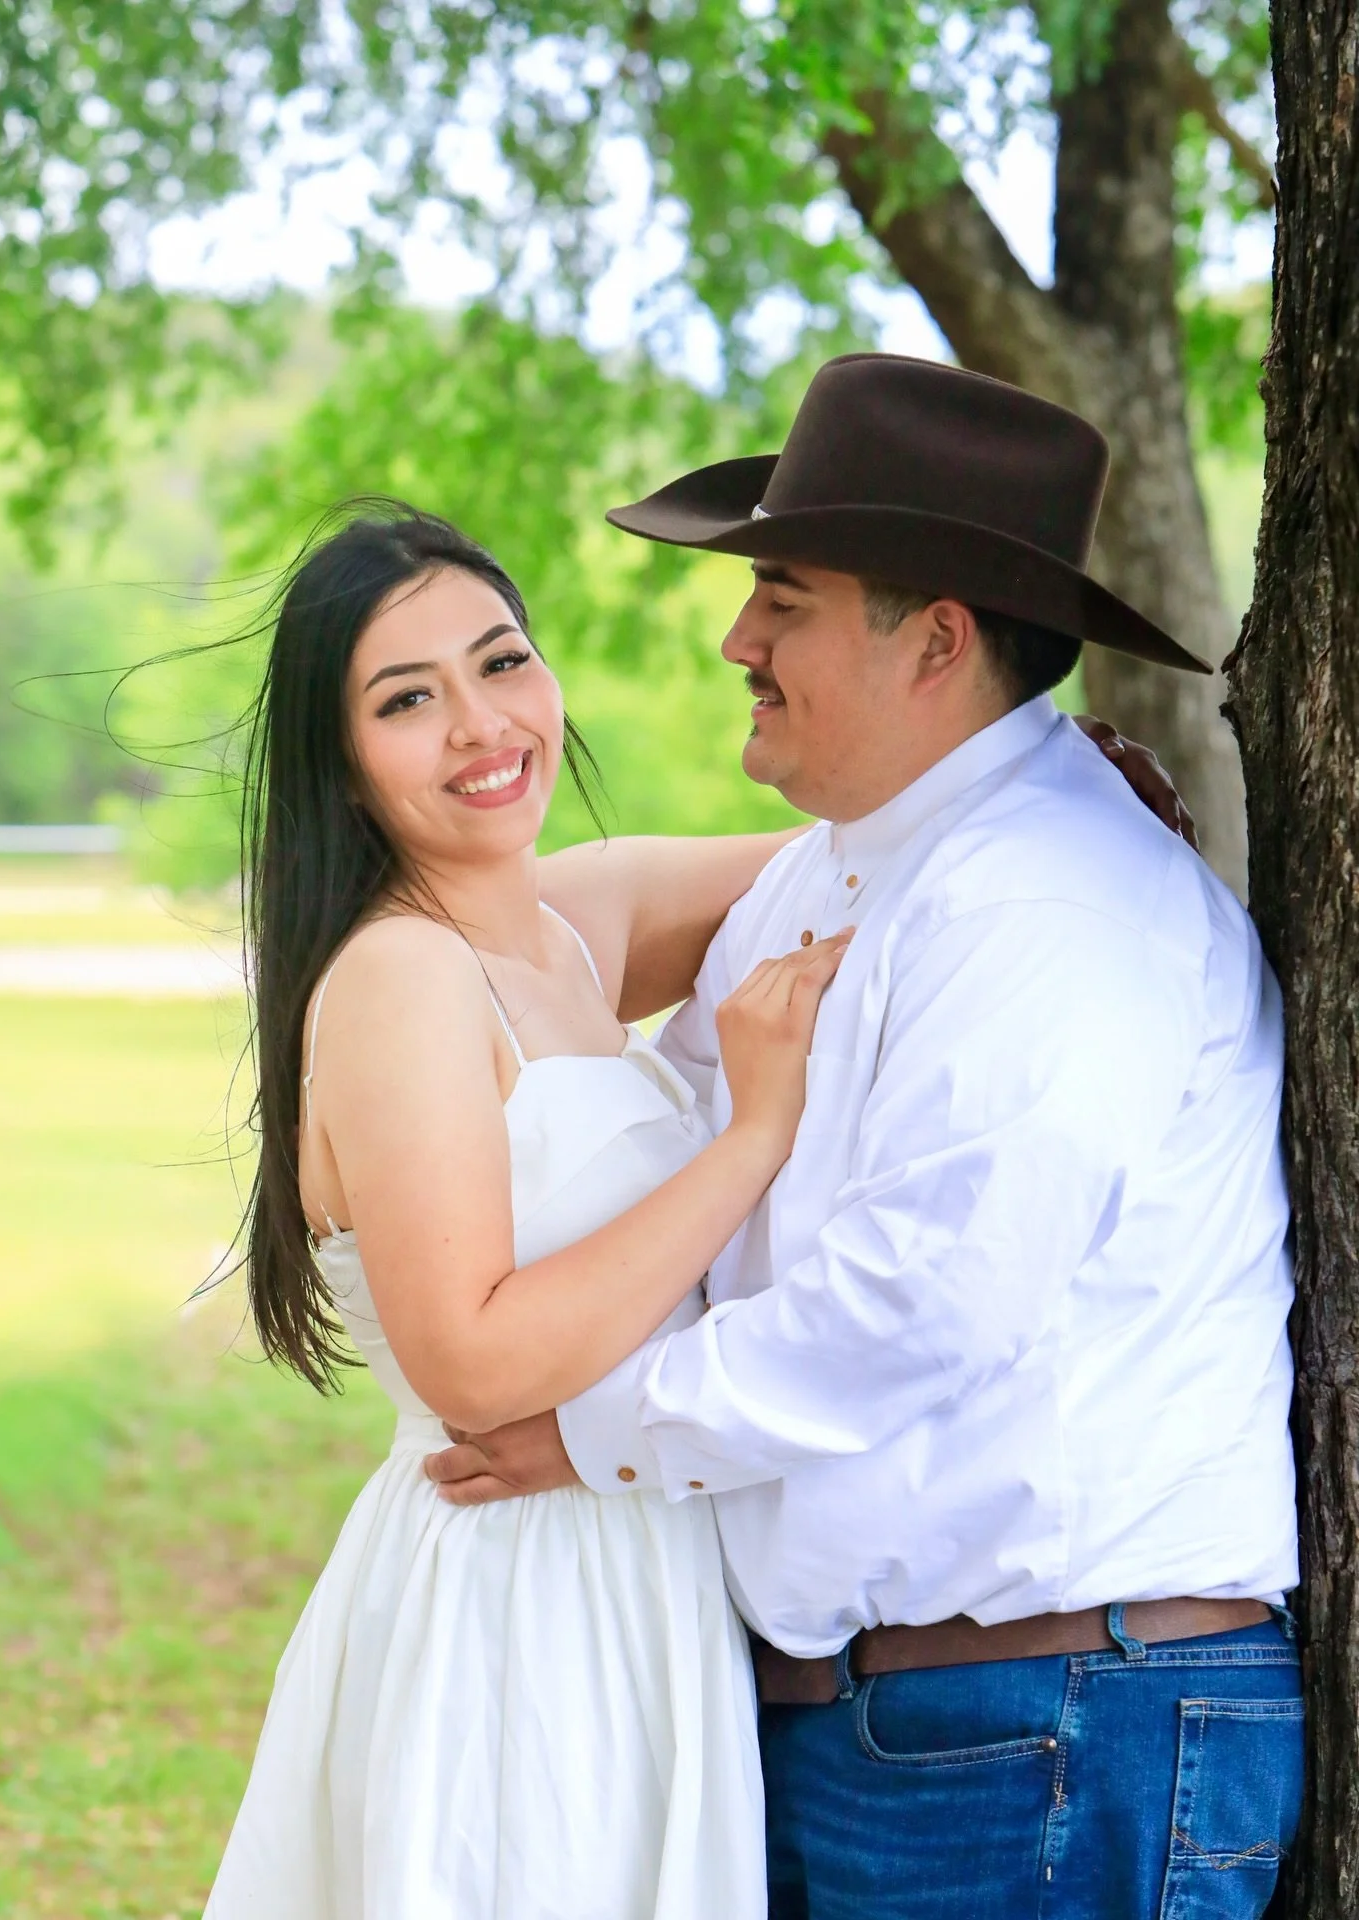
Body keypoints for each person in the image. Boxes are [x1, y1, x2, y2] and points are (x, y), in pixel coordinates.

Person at [201, 485, 1185, 1920]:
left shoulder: (568, 919)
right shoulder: (400, 979)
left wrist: (1053, 776)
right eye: (408, 700)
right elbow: (470, 1360)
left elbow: (886, 845)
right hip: (521, 1597)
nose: (483, 726)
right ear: (343, 764)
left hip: (650, 1583)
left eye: (502, 660)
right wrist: (754, 1132)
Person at [426, 355, 1304, 1920]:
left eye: (782, 598)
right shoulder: (841, 874)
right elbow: (684, 1165)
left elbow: (926, 1303)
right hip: (903, 1723)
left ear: (939, 644)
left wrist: (586, 1438)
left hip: (1051, 1719)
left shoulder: (1053, 905)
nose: (734, 641)